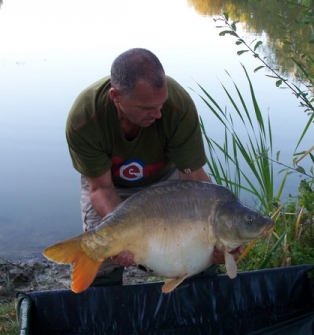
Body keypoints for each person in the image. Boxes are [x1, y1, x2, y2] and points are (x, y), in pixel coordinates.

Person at [66, 48, 241, 286]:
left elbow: (195, 179)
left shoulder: (177, 105)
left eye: (161, 104)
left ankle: (196, 308)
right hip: (110, 186)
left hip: (166, 187)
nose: (158, 114)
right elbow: (100, 189)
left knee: (199, 249)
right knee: (102, 254)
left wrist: (220, 237)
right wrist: (122, 236)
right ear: (116, 96)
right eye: (147, 108)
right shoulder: (85, 118)